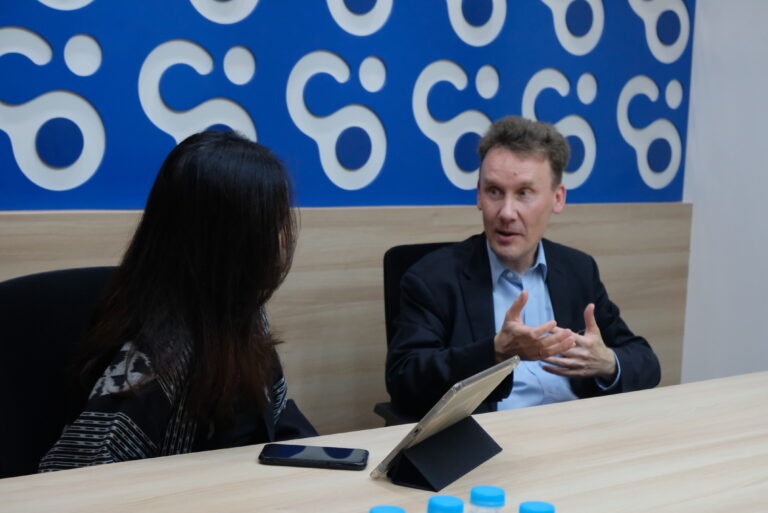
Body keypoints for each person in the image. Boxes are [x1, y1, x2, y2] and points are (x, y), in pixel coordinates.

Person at [39, 130, 316, 471]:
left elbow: (276, 419)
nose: (284, 239)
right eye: (272, 224)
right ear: (229, 240)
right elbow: (76, 472)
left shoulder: (242, 311)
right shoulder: (159, 349)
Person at [385, 116, 661, 418]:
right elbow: (404, 378)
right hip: (490, 434)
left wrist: (607, 362)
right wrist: (495, 352)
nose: (506, 213)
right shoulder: (433, 278)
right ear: (478, 195)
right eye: (494, 191)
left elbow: (646, 362)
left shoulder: (578, 270)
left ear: (557, 198)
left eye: (524, 193)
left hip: (575, 428)